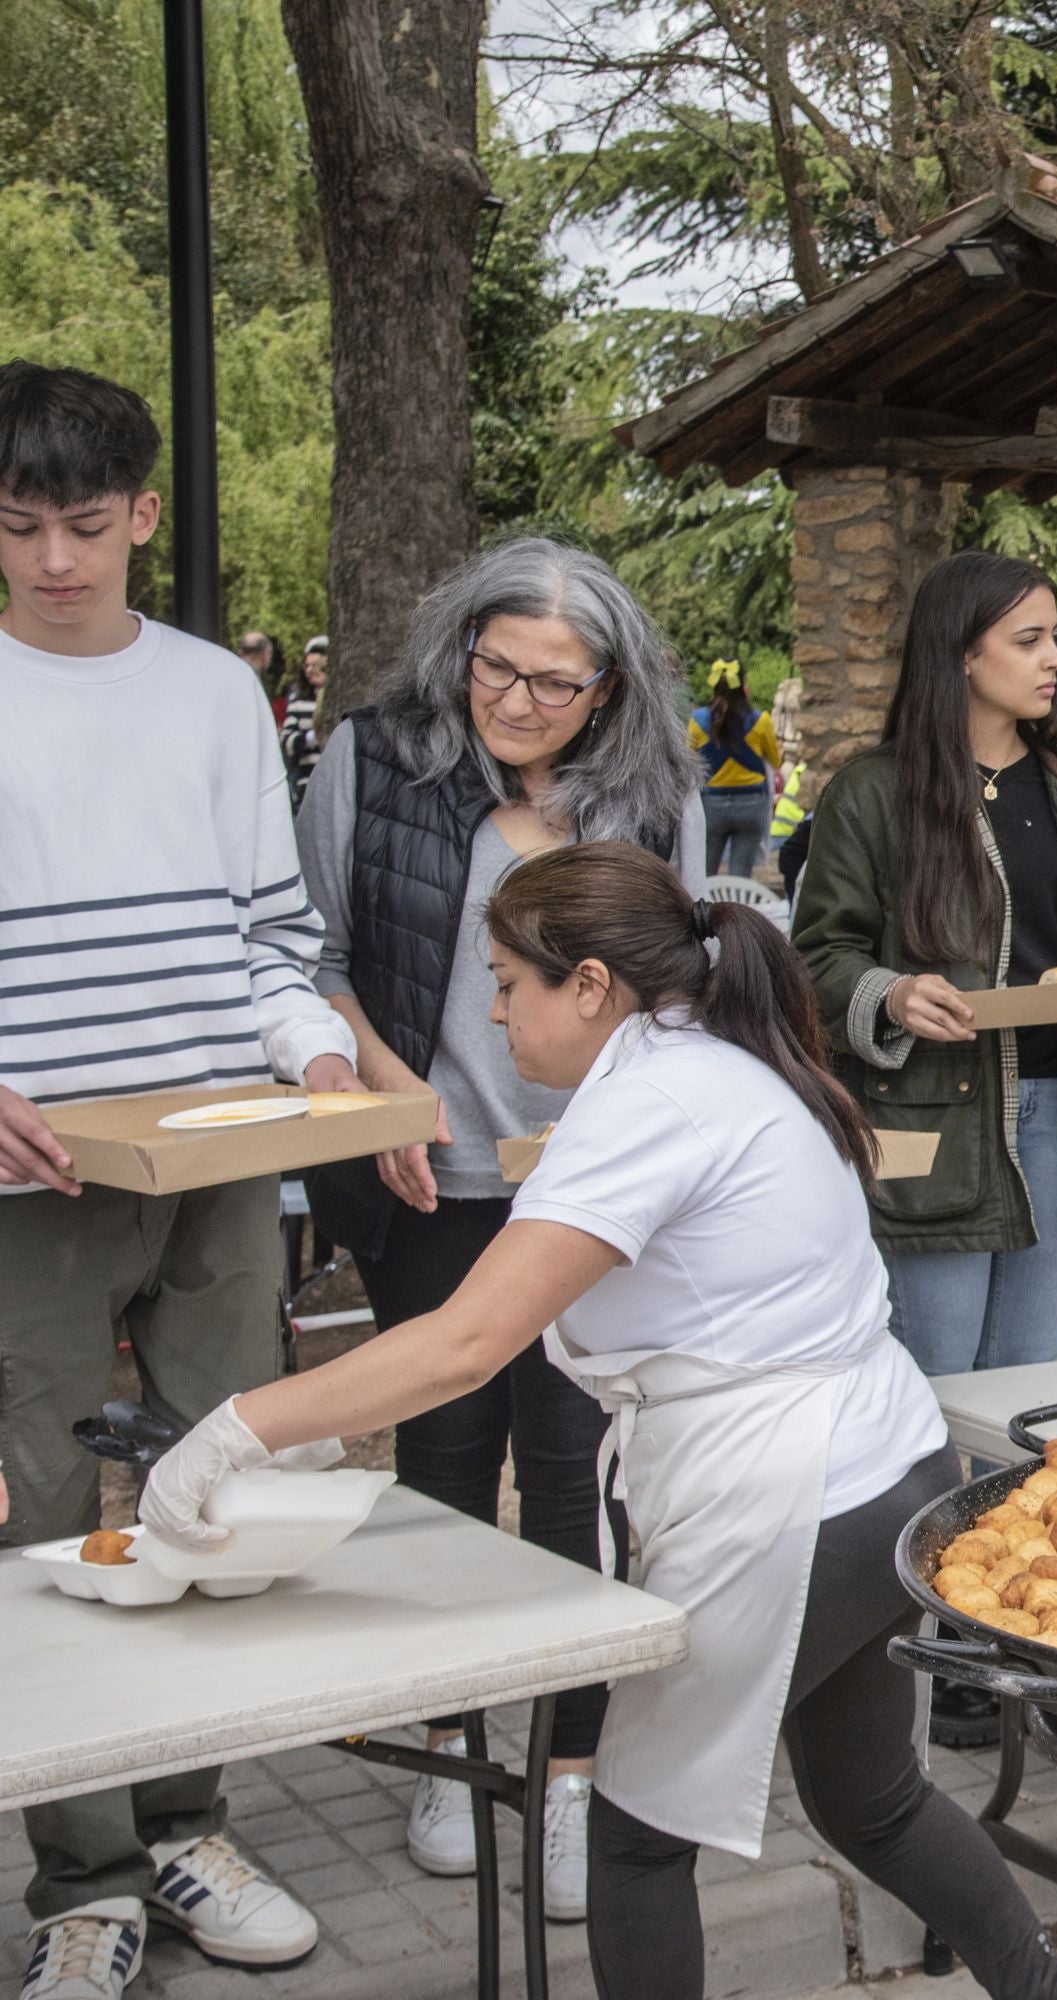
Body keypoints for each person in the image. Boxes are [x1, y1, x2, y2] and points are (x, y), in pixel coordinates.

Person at [131, 844, 1057, 2000]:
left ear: (588, 984)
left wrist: (236, 1426)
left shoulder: (652, 1098)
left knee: (635, 1833)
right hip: (887, 1465)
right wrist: (331, 1416)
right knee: (873, 1799)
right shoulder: (717, 1055)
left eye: (504, 982)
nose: (490, 1014)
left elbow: (464, 1339)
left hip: (792, 1496)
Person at [0, 361, 358, 1998]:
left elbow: (274, 935)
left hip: (224, 1155)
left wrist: (320, 1062)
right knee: (53, 1510)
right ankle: (78, 1873)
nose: (53, 560)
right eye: (19, 528)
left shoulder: (217, 692)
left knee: (221, 1479)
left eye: (84, 525)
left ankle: (193, 1824)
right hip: (35, 1173)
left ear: (144, 515)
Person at [294, 536, 706, 1909]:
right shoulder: (379, 758)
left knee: (580, 1473)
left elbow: (683, 992)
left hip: (590, 1191)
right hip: (429, 1177)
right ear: (456, 646)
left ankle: (577, 1770)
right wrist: (388, 1088)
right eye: (496, 668)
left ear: (608, 691)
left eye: (556, 682)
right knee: (445, 1468)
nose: (517, 703)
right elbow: (317, 955)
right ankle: (450, 1742)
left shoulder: (652, 792)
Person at [795, 555, 1057, 1379]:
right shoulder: (871, 795)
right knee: (934, 1389)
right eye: (1029, 640)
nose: (1054, 660)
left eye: (1054, 639)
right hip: (932, 1123)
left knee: (1028, 1382)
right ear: (961, 652)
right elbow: (813, 961)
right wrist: (887, 993)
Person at [688, 657, 783, 878]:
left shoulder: (697, 720)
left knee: (704, 875)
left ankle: (703, 912)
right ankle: (736, 911)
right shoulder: (761, 721)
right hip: (751, 806)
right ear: (743, 687)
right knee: (740, 876)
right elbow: (775, 761)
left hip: (711, 806)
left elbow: (686, 761)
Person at [279, 637, 330, 795]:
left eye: (315, 666)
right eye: (306, 665)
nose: (309, 670)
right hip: (308, 783)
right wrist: (309, 738)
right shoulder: (298, 702)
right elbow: (286, 740)